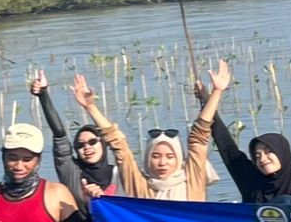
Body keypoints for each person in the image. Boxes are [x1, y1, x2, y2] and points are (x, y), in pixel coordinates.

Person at [79, 67, 223, 202]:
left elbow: (199, 136)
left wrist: (217, 92)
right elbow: (118, 144)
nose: (162, 163)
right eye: (155, 156)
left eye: (170, 157)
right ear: (148, 159)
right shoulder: (139, 185)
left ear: (179, 160)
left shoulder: (192, 179)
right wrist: (90, 107)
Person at [30, 71, 117, 222]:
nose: (86, 147)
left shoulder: (119, 173)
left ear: (103, 144)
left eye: (92, 141)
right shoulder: (72, 173)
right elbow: (59, 135)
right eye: (80, 145)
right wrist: (43, 96)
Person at [213, 119, 291, 204]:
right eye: (257, 155)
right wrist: (209, 106)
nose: (262, 159)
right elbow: (227, 147)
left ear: (282, 154)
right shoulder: (251, 185)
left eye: (268, 152)